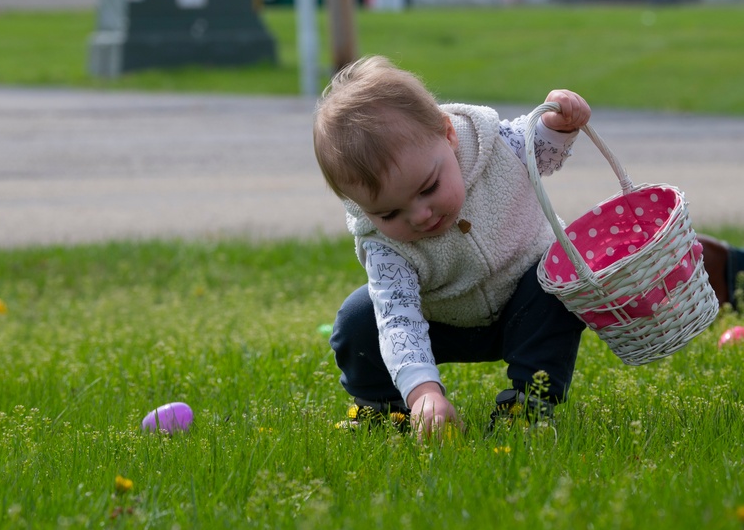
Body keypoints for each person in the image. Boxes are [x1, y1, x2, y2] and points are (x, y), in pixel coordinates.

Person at [312, 55, 744, 437]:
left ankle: (529, 405)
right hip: (441, 322)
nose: (419, 215)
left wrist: (559, 126)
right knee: (359, 320)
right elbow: (399, 322)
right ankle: (387, 413)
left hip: (525, 302)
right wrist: (423, 390)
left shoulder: (493, 144)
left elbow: (540, 150)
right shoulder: (384, 246)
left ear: (449, 136)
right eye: (389, 214)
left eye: (428, 188)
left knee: (556, 288)